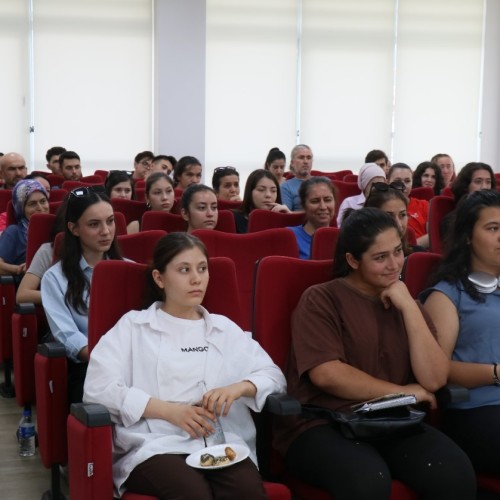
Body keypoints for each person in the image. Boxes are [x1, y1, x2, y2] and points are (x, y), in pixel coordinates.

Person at [274, 207, 475, 500]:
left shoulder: (406, 301)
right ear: (352, 260)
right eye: (380, 258)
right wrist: (402, 393)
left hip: (391, 421)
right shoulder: (321, 299)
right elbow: (328, 375)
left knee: (455, 474)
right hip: (324, 421)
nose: (394, 265)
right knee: (368, 481)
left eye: (398, 251)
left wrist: (408, 307)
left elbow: (433, 379)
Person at [83, 232, 286, 499]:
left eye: (202, 269)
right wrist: (170, 411)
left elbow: (274, 376)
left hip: (222, 443)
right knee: (193, 493)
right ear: (159, 278)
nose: (196, 279)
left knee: (247, 491)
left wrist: (241, 387)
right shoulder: (134, 326)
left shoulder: (224, 329)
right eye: (184, 270)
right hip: (155, 444)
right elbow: (98, 389)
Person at [421, 190, 500, 479]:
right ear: (468, 236)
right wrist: (496, 372)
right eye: (493, 228)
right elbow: (437, 371)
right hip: (478, 410)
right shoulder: (448, 294)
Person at [41, 186, 123, 404]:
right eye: (94, 224)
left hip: (135, 362)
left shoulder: (131, 270)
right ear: (74, 229)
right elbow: (68, 336)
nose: (106, 231)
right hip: (90, 366)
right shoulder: (55, 278)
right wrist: (108, 360)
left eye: (110, 221)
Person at [16, 197, 68, 305]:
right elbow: (22, 295)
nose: (105, 231)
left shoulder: (109, 252)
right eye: (93, 224)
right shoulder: (49, 251)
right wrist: (65, 297)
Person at [0, 179, 49, 278]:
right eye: (32, 204)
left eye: (43, 201)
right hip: (27, 287)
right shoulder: (14, 232)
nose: (40, 208)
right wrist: (21, 269)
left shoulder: (57, 227)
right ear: (21, 209)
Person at [287, 177, 336, 259]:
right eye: (315, 201)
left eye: (328, 200)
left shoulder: (343, 238)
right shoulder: (290, 236)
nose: (323, 207)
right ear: (304, 205)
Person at [364, 182, 416, 256]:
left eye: (402, 215)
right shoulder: (362, 258)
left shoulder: (417, 256)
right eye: (389, 217)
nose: (398, 224)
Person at [233, 169, 290, 233]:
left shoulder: (281, 219)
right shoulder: (233, 218)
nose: (268, 195)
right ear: (249, 192)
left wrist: (289, 218)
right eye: (261, 190)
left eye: (273, 191)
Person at [387, 163, 429, 248]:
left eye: (407, 181)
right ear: (387, 182)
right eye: (397, 181)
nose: (403, 186)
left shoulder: (424, 205)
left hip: (421, 253)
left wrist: (413, 247)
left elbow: (432, 236)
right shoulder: (382, 207)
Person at [336, 162, 386, 226]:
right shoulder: (349, 203)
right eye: (373, 185)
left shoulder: (387, 203)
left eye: (381, 185)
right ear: (364, 186)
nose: (377, 188)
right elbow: (341, 228)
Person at [280, 145, 313, 211]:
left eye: (309, 158)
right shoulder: (286, 186)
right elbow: (287, 215)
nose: (306, 161)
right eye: (301, 157)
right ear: (292, 163)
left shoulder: (324, 183)